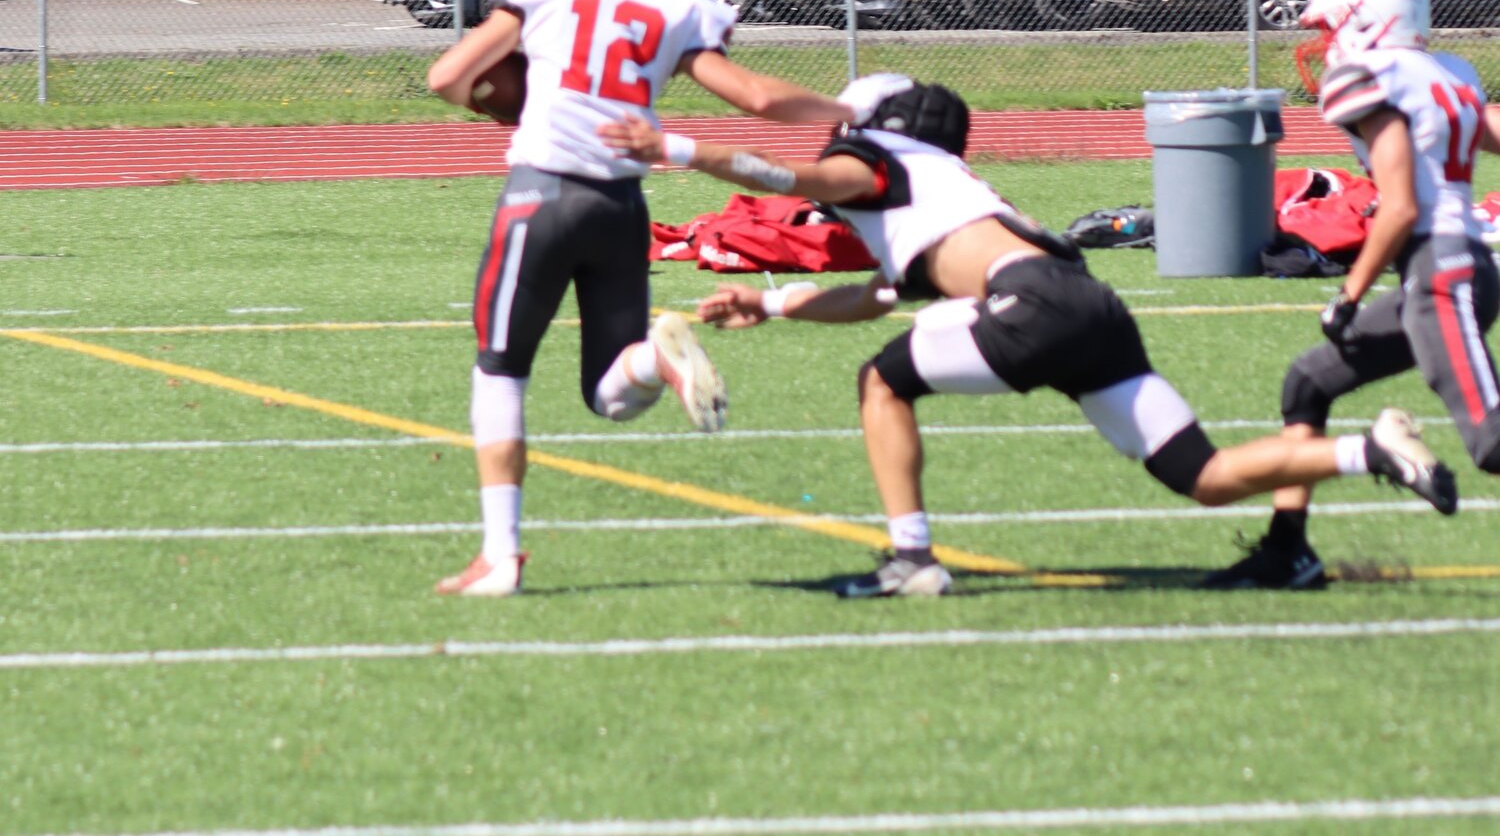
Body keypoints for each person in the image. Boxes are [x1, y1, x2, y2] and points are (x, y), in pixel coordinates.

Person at [600, 73, 1457, 598]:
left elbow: (782, 173)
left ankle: (911, 559)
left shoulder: (879, 166)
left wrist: (672, 145)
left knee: (883, 381)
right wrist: (777, 303)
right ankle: (1369, 452)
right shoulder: (953, 189)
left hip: (1033, 306)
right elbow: (880, 294)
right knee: (1204, 476)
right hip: (1089, 307)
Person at [429, 0, 852, 597]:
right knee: (611, 393)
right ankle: (657, 356)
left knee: (500, 370)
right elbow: (754, 96)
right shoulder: (680, 8)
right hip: (622, 208)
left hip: (541, 194)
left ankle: (500, 555)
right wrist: (842, 107)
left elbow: (447, 78)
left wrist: (514, 100)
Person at [1206, 0, 1500, 589]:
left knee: (1493, 443)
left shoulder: (1370, 76)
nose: (1323, 41)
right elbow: (1483, 131)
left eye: (1331, 24)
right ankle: (1288, 551)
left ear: (1367, 20)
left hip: (1442, 274)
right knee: (1308, 383)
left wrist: (1349, 293)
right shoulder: (1453, 72)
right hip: (1445, 273)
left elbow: (1399, 207)